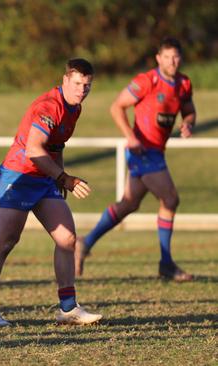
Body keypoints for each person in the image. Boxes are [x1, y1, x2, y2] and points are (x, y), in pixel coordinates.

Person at [0, 59, 102, 327]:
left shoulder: (74, 108)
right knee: (5, 242)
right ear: (65, 80)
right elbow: (34, 149)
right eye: (77, 84)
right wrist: (63, 178)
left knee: (67, 238)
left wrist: (58, 175)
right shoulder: (48, 107)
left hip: (44, 179)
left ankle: (68, 309)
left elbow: (56, 145)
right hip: (18, 177)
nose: (82, 90)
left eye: (87, 86)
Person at [76, 37, 196, 282]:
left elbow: (189, 110)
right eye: (167, 57)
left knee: (129, 204)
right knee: (170, 198)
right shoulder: (146, 81)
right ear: (158, 58)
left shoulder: (184, 84)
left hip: (156, 152)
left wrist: (188, 124)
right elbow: (116, 107)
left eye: (176, 57)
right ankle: (166, 263)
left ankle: (84, 244)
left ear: (180, 58)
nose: (172, 61)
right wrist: (130, 137)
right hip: (142, 151)